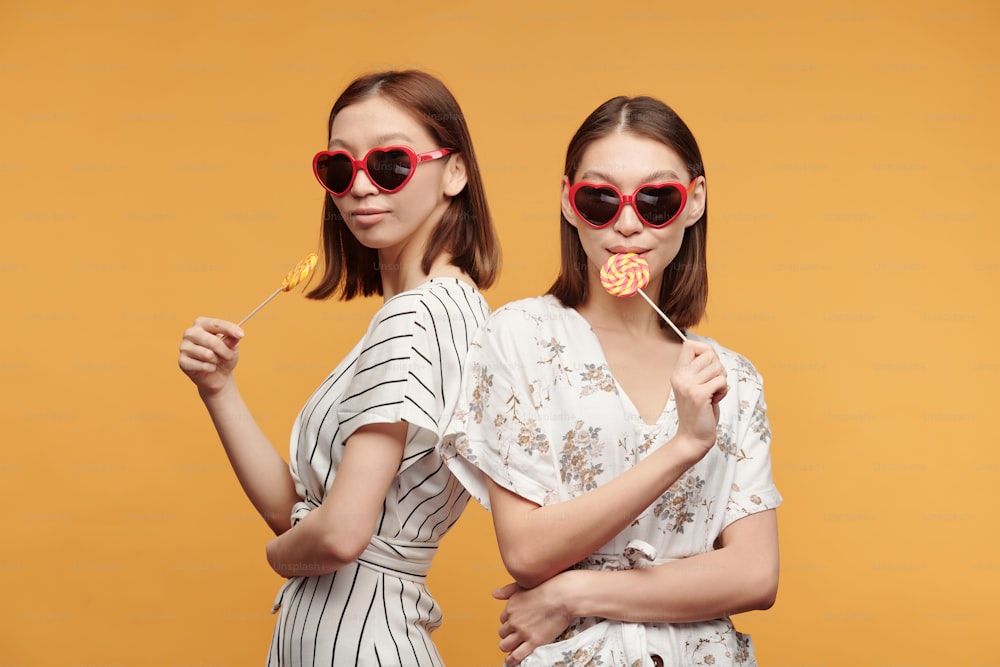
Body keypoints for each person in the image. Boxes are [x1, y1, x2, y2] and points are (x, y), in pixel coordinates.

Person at [440, 96, 781, 666]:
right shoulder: (520, 337)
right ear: (568, 202)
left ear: (694, 201)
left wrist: (572, 592)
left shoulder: (731, 378)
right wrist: (684, 447)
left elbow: (754, 574)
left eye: (656, 200)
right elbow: (526, 550)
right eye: (599, 199)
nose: (626, 224)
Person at [177, 69, 500, 666]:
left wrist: (279, 559)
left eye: (390, 164)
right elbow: (302, 511)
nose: (360, 187)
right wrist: (218, 389)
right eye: (339, 168)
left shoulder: (414, 319)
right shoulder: (460, 311)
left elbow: (338, 535)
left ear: (454, 171)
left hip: (357, 644)